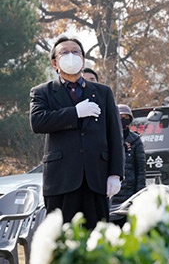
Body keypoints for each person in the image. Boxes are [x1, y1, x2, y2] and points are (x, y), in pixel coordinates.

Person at [30, 35, 124, 229]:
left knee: (97, 238)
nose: (71, 56)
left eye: (76, 52)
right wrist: (75, 113)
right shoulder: (43, 92)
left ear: (83, 60)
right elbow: (38, 122)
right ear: (55, 63)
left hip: (96, 179)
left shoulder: (102, 92)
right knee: (62, 240)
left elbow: (114, 134)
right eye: (64, 52)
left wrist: (115, 173)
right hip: (61, 180)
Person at [111, 104, 146, 225]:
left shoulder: (135, 140)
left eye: (126, 117)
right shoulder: (108, 137)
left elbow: (141, 169)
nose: (123, 120)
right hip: (112, 193)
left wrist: (139, 193)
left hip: (130, 193)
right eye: (121, 117)